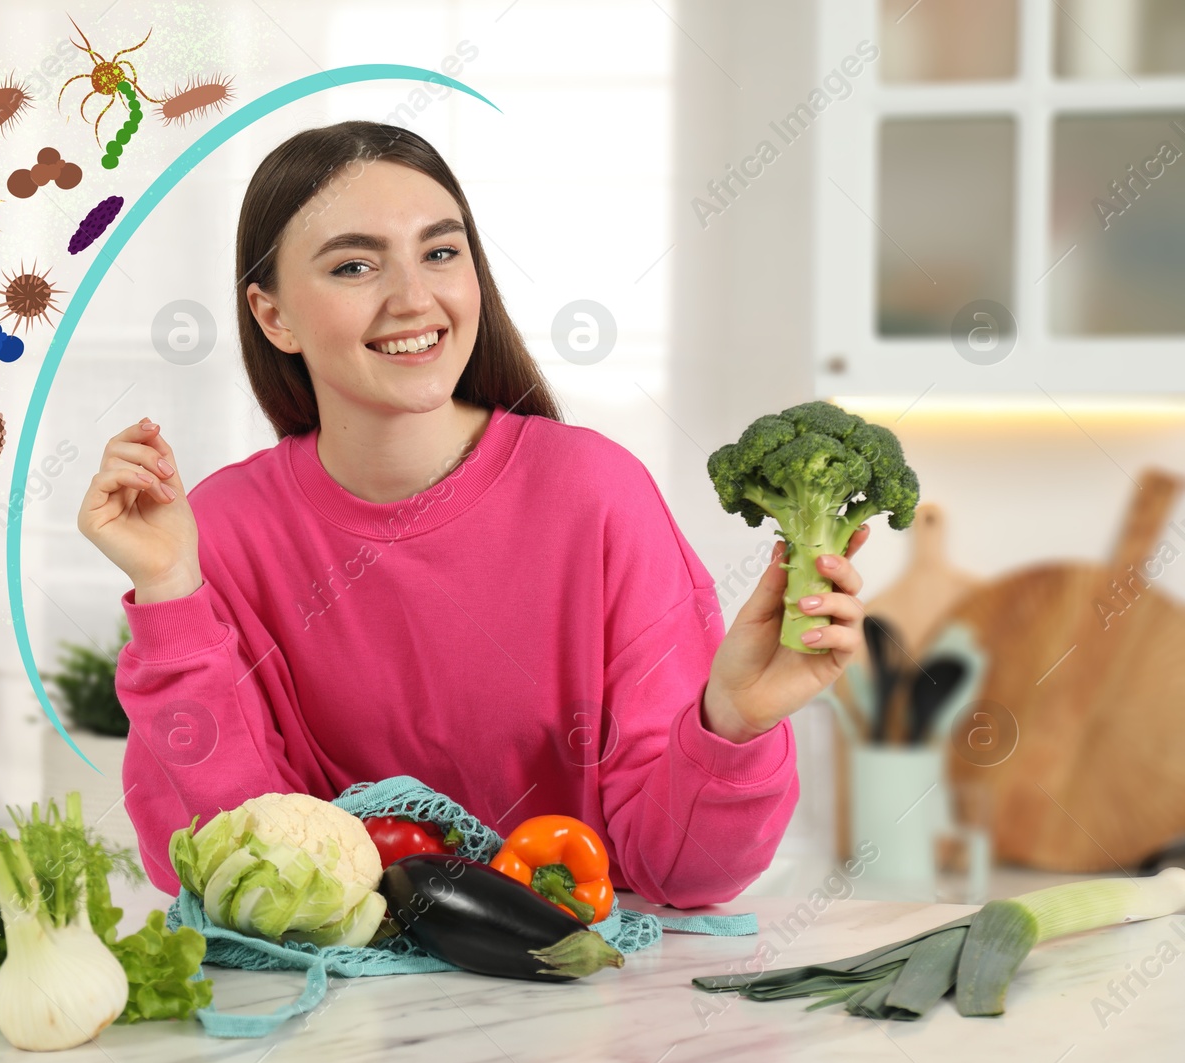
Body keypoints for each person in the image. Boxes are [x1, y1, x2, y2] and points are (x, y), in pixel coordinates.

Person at [76, 121, 870, 907]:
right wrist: (171, 592)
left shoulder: (595, 494)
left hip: (582, 1002)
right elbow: (228, 865)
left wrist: (730, 723)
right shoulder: (219, 530)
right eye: (355, 265)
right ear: (273, 315)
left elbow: (684, 874)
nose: (414, 298)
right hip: (338, 1020)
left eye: (441, 252)